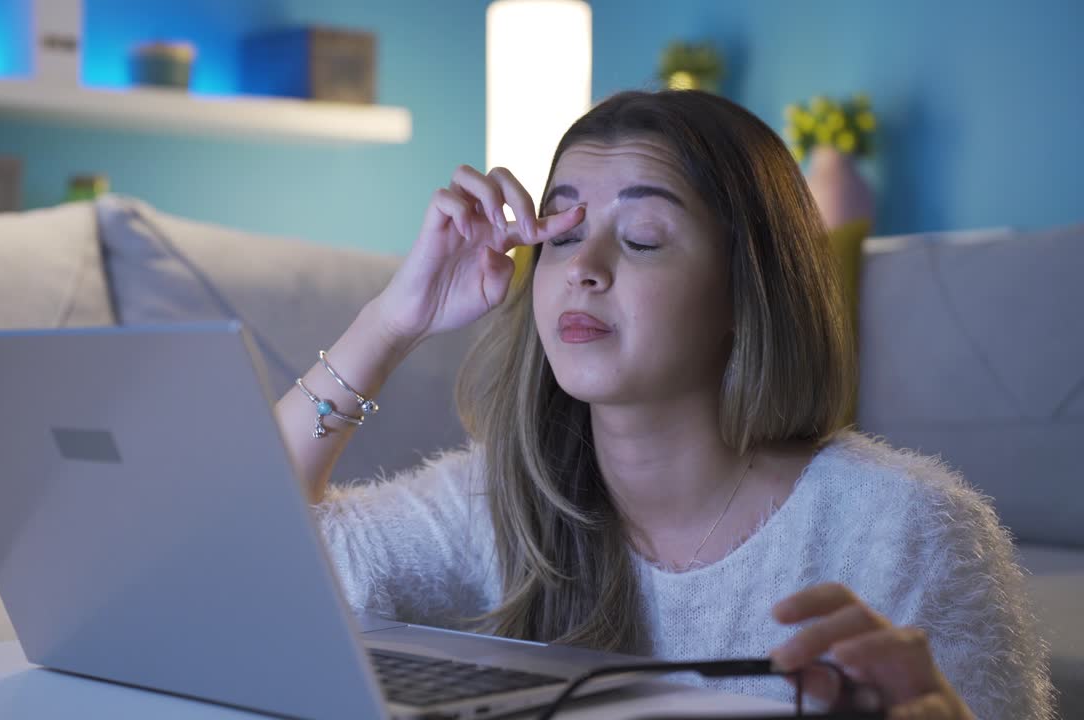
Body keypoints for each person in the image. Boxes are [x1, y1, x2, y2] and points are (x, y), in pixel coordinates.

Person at [274, 90, 1053, 719]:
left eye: (643, 237)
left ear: (747, 294)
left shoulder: (907, 531)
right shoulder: (496, 501)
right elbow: (253, 551)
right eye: (562, 235)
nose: (585, 268)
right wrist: (390, 319)